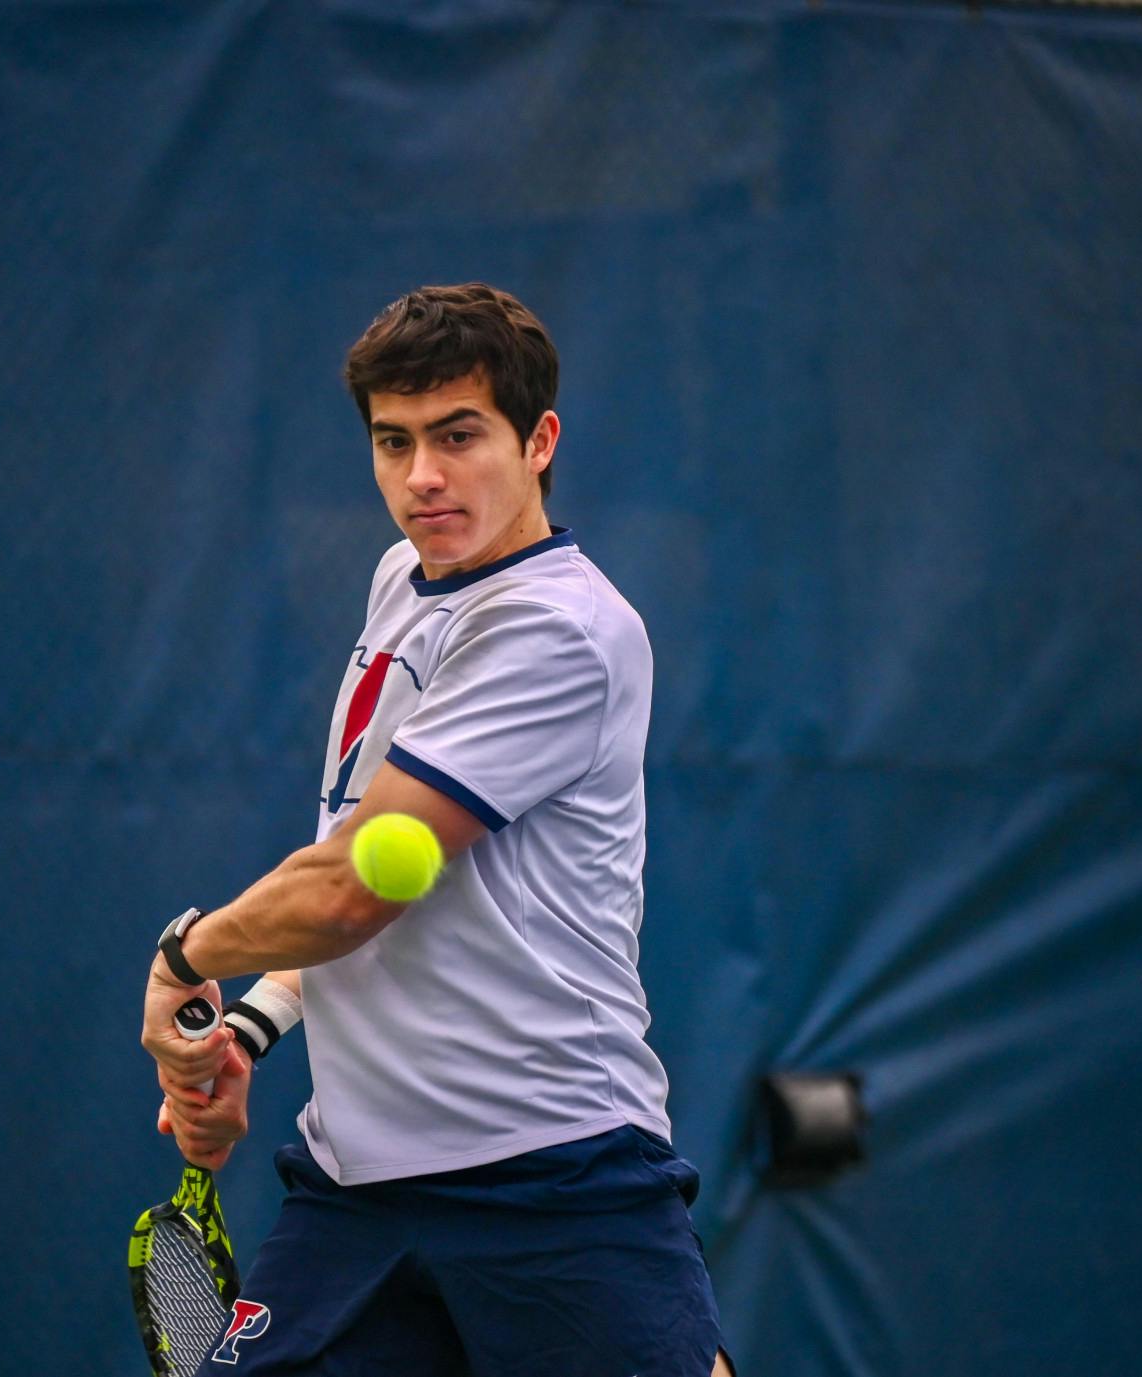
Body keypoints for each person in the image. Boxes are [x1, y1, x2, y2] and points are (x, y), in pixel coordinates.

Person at [142, 282, 732, 1376]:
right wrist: (253, 1026)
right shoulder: (402, 583)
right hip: (357, 1190)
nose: (421, 478)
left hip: (547, 1175)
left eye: (458, 437)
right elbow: (382, 875)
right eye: (392, 442)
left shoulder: (558, 630)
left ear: (538, 440)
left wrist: (185, 956)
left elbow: (348, 890)